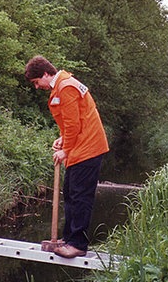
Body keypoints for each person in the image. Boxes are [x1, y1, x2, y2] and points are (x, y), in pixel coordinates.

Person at [25, 55, 109, 258]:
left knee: (80, 197)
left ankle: (78, 244)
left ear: (46, 74)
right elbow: (73, 121)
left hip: (88, 149)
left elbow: (74, 125)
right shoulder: (62, 86)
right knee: (71, 193)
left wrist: (66, 150)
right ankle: (69, 239)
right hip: (81, 148)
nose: (37, 87)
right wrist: (63, 140)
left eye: (37, 82)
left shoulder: (66, 87)